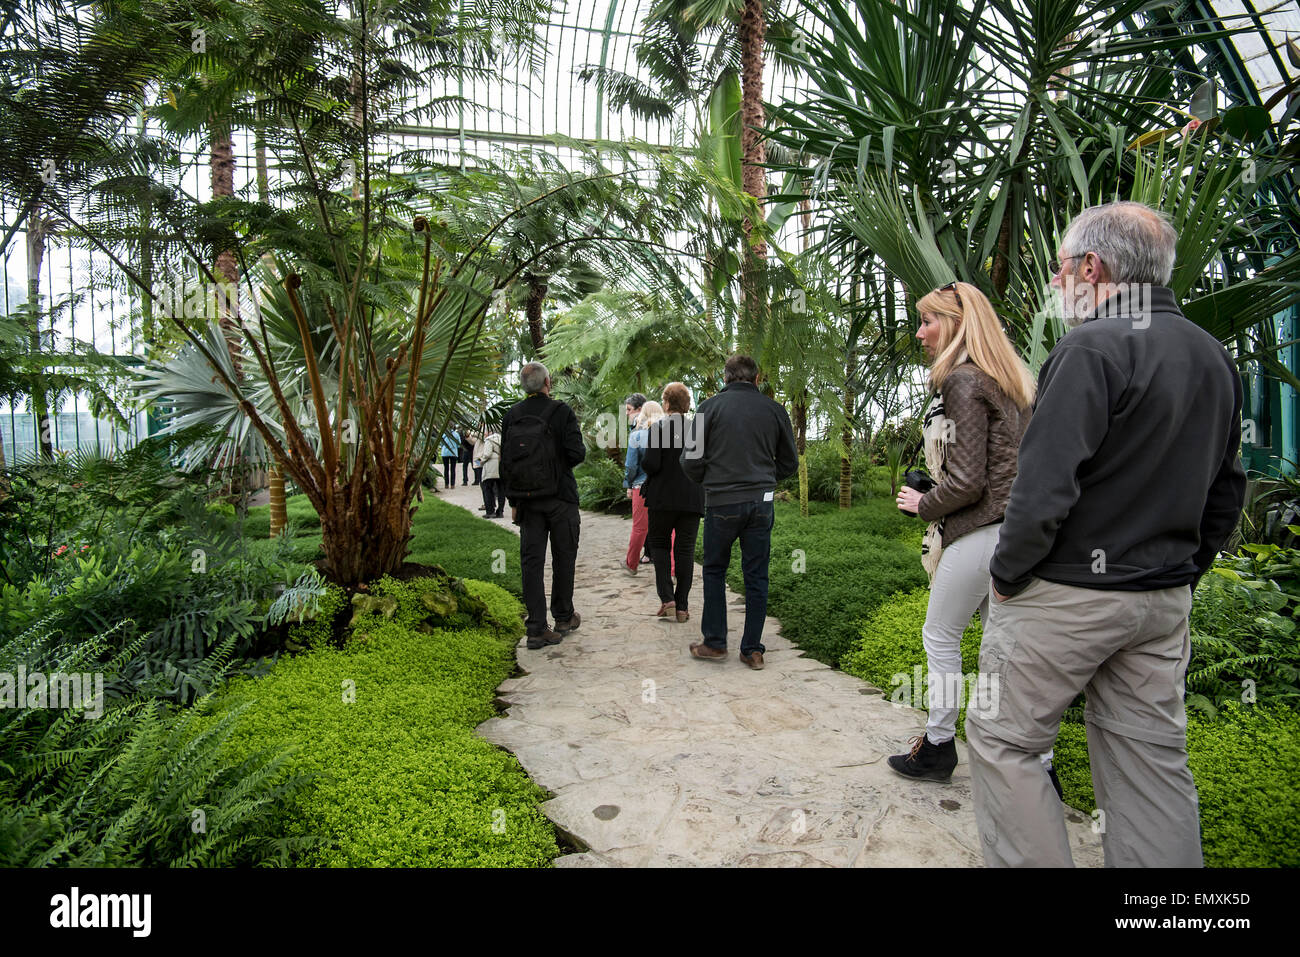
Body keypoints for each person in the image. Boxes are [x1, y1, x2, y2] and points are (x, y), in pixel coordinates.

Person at [966, 201, 1247, 867]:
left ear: (1093, 266)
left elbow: (1043, 489)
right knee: (1151, 760)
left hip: (1069, 595)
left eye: (1064, 270)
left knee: (1005, 739)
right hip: (1162, 599)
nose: (1058, 284)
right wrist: (1182, 569)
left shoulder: (1090, 346)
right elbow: (1228, 489)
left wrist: (1007, 576)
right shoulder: (1214, 357)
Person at [890, 281, 1045, 788]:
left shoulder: (962, 381)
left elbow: (967, 481)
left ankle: (937, 747)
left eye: (928, 321)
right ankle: (1037, 766)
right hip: (1017, 532)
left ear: (954, 324)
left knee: (940, 636)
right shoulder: (1012, 381)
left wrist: (922, 504)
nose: (920, 333)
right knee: (1003, 647)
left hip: (980, 532)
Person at [681, 354, 798, 670]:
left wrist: (712, 482)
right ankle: (752, 650)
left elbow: (690, 461)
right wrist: (765, 478)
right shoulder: (774, 410)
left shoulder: (708, 408)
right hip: (762, 502)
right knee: (757, 575)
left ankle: (716, 643)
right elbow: (790, 463)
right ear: (757, 379)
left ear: (725, 378)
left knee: (715, 570)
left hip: (721, 502)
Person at [501, 362, 586, 650]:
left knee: (532, 563)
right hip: (560, 498)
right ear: (548, 382)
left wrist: (512, 501)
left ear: (524, 387)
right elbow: (577, 453)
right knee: (564, 558)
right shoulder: (561, 412)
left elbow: (507, 463)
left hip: (527, 502)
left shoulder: (512, 415)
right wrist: (554, 466)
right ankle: (563, 617)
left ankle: (536, 628)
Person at [642, 382, 702, 622]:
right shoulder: (697, 430)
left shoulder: (657, 428)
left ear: (666, 404)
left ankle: (667, 597)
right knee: (685, 551)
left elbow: (651, 464)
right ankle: (683, 607)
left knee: (660, 546)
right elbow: (702, 465)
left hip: (662, 498)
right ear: (686, 404)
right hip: (691, 497)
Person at [622, 400, 664, 575]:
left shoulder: (636, 436)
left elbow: (631, 466)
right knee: (668, 529)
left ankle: (631, 564)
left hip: (641, 487)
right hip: (663, 487)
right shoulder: (669, 435)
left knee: (639, 528)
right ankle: (673, 569)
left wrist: (628, 484)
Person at [478, 427, 504, 518]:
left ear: (490, 432)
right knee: (501, 490)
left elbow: (487, 454)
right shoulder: (503, 439)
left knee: (487, 488)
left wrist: (480, 461)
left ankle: (490, 511)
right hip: (501, 466)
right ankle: (500, 511)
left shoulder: (489, 440)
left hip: (490, 467)